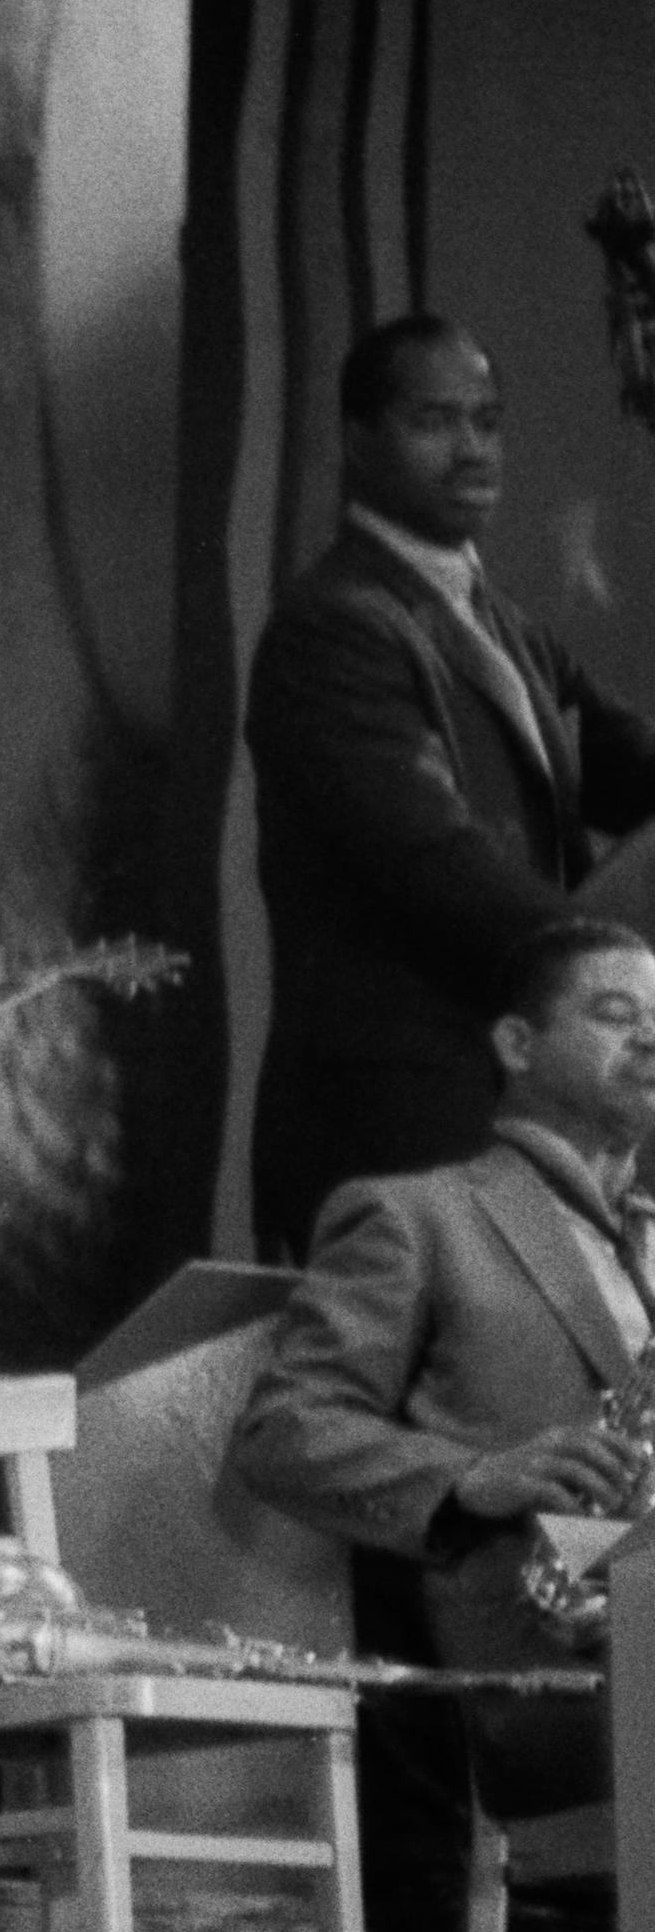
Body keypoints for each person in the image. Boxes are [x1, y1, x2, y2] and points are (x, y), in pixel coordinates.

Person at [234, 914, 649, 1932]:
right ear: (515, 1040)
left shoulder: (646, 1247)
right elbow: (283, 1432)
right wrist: (474, 1474)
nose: (651, 1041)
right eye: (615, 1015)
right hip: (529, 1682)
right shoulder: (417, 1214)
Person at [246, 313, 655, 1261]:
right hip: (398, 1131)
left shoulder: (500, 625)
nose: (474, 449)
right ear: (358, 440)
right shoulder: (333, 631)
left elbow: (625, 763)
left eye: (488, 421)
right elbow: (433, 866)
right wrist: (609, 978)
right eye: (438, 421)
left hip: (512, 1117)